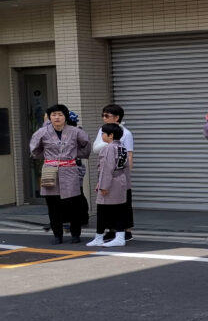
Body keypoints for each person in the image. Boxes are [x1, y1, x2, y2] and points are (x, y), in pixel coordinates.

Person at [30, 104, 92, 244]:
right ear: (49, 117)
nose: (57, 117)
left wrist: (74, 155)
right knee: (53, 206)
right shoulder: (42, 132)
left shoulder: (76, 131)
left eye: (60, 115)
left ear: (65, 117)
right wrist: (49, 159)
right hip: (50, 170)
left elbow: (86, 145)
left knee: (74, 204)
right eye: (53, 115)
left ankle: (76, 234)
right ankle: (57, 235)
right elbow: (35, 150)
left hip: (70, 169)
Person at [93, 104, 135, 241]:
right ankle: (112, 230)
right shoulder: (102, 130)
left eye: (107, 116)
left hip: (119, 173)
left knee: (123, 203)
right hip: (107, 170)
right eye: (103, 115)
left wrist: (126, 175)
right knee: (108, 204)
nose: (104, 118)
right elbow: (95, 148)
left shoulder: (125, 133)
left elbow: (128, 155)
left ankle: (126, 230)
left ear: (117, 117)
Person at [87, 123, 131, 247]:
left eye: (103, 134)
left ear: (110, 136)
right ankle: (118, 236)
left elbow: (107, 168)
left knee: (102, 210)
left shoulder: (108, 148)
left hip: (110, 181)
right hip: (120, 180)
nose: (102, 136)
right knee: (119, 210)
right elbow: (126, 167)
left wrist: (103, 186)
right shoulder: (121, 147)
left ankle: (101, 237)